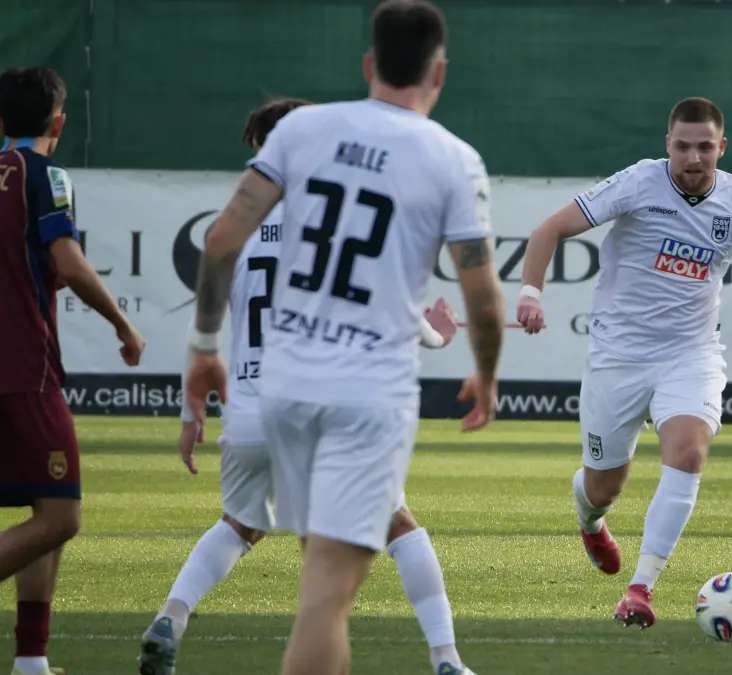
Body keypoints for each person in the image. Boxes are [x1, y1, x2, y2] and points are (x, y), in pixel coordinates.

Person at [182, 2, 505, 674]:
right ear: (440, 72)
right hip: (367, 395)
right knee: (327, 597)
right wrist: (486, 371)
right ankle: (445, 656)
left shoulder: (302, 130)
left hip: (285, 389)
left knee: (318, 586)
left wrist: (205, 346)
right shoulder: (453, 157)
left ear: (368, 64)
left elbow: (219, 239)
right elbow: (481, 293)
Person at [138, 98, 478, 675]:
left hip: (250, 409)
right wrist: (438, 336)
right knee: (396, 522)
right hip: (321, 401)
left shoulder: (236, 233)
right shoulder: (334, 221)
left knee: (240, 523)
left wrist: (191, 406)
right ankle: (446, 657)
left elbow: (208, 322)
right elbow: (388, 302)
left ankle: (170, 618)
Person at [516, 97, 732, 629]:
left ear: (722, 147)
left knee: (689, 452)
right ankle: (590, 519)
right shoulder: (638, 182)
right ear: (667, 145)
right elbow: (549, 230)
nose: (693, 157)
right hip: (618, 356)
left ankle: (640, 589)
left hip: (691, 354)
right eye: (683, 146)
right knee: (604, 487)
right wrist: (530, 293)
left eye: (705, 147)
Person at [0, 66, 146, 675]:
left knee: (45, 504)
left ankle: (32, 661)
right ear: (58, 123)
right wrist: (123, 324)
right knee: (61, 515)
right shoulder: (45, 175)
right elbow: (70, 262)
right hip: (22, 369)